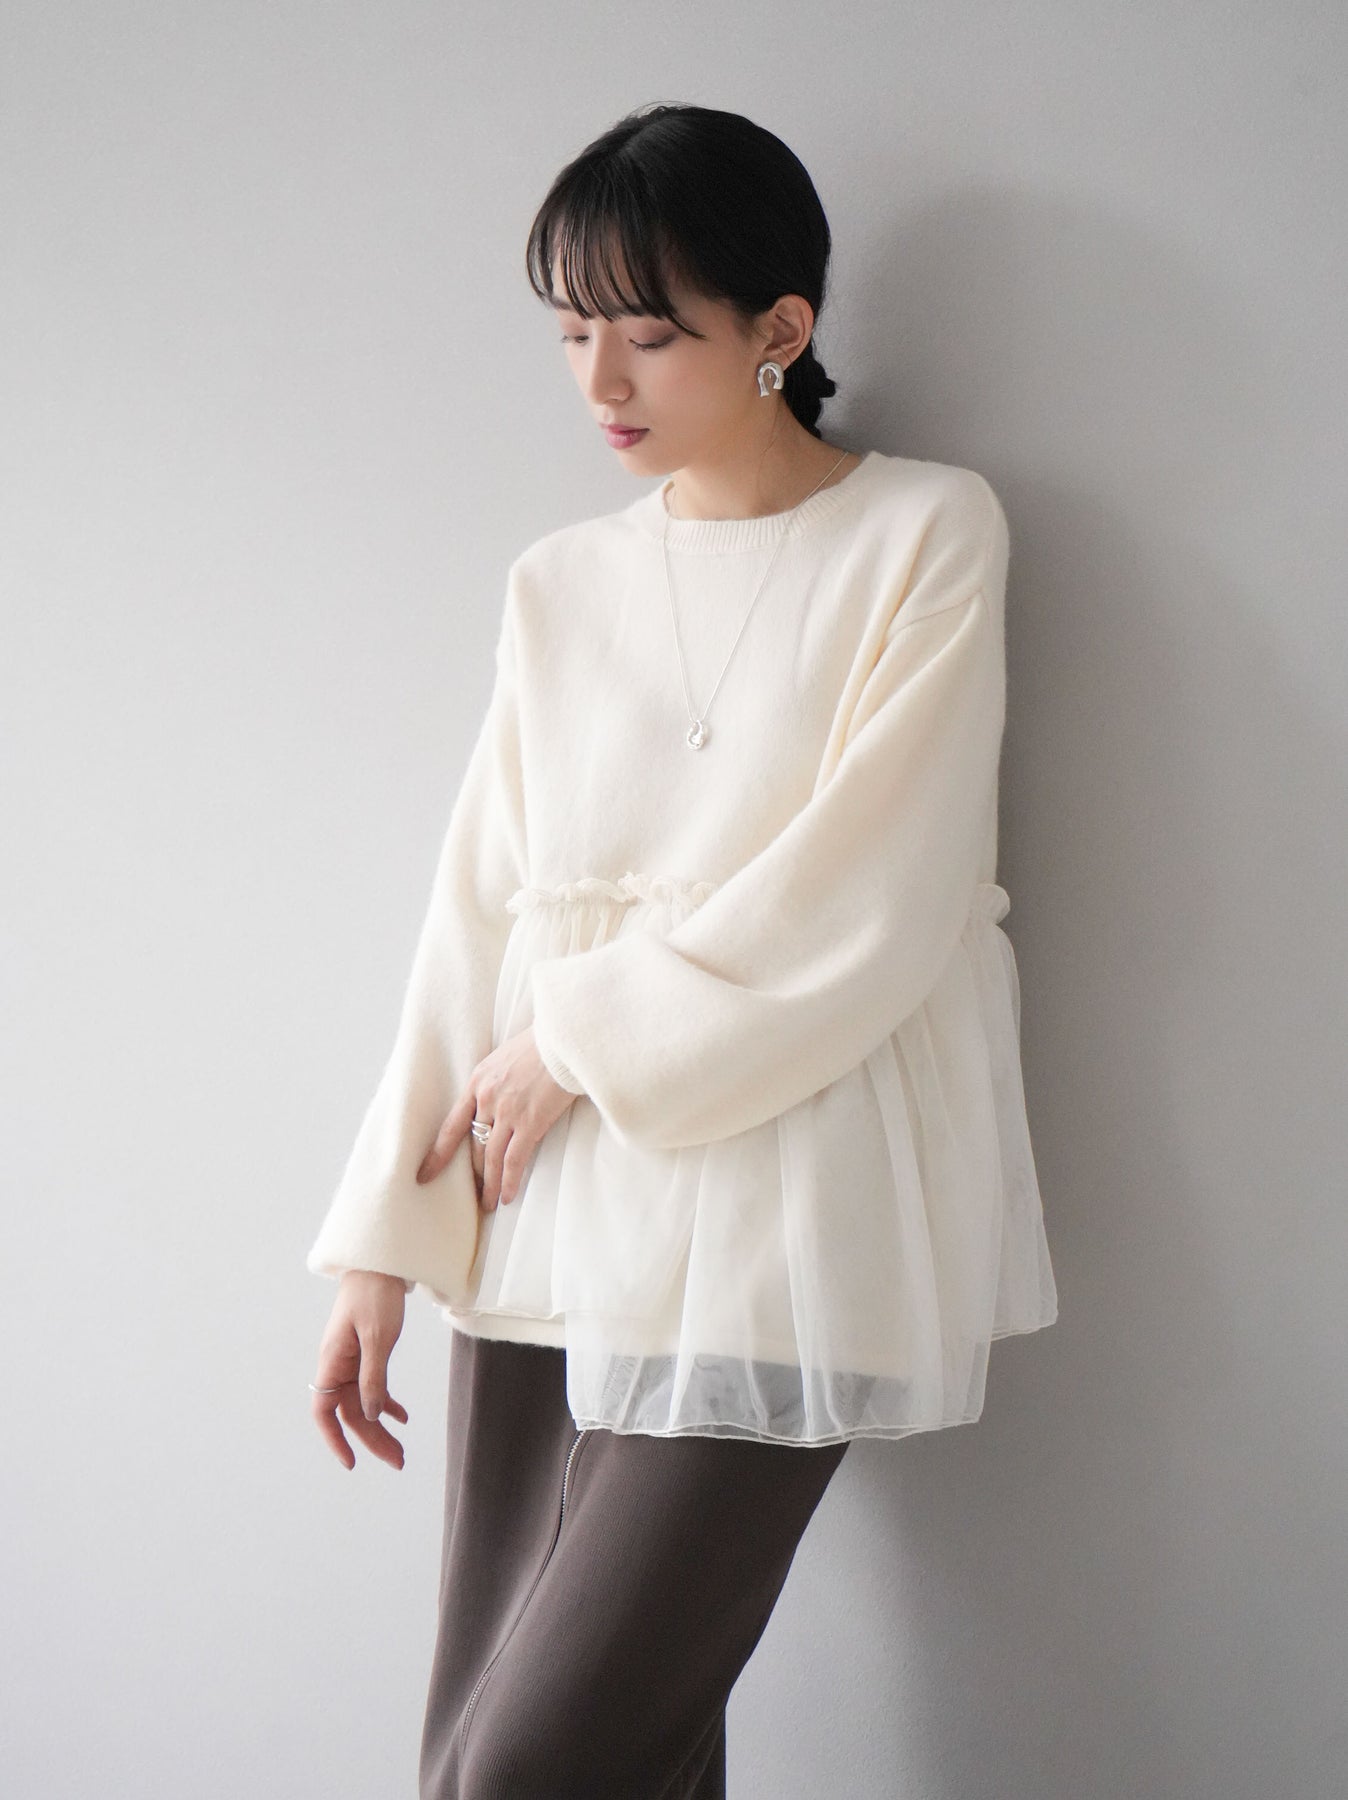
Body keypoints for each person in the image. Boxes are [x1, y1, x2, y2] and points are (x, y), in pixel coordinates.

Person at [305, 102, 1059, 1799]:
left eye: (648, 335)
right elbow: (479, 911)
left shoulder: (927, 531)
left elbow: (885, 888)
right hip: (549, 1200)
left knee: (520, 1770)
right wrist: (382, 1247)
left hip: (795, 1197)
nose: (601, 383)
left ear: (781, 327)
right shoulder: (560, 582)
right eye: (572, 332)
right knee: (538, 1755)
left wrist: (576, 1043)